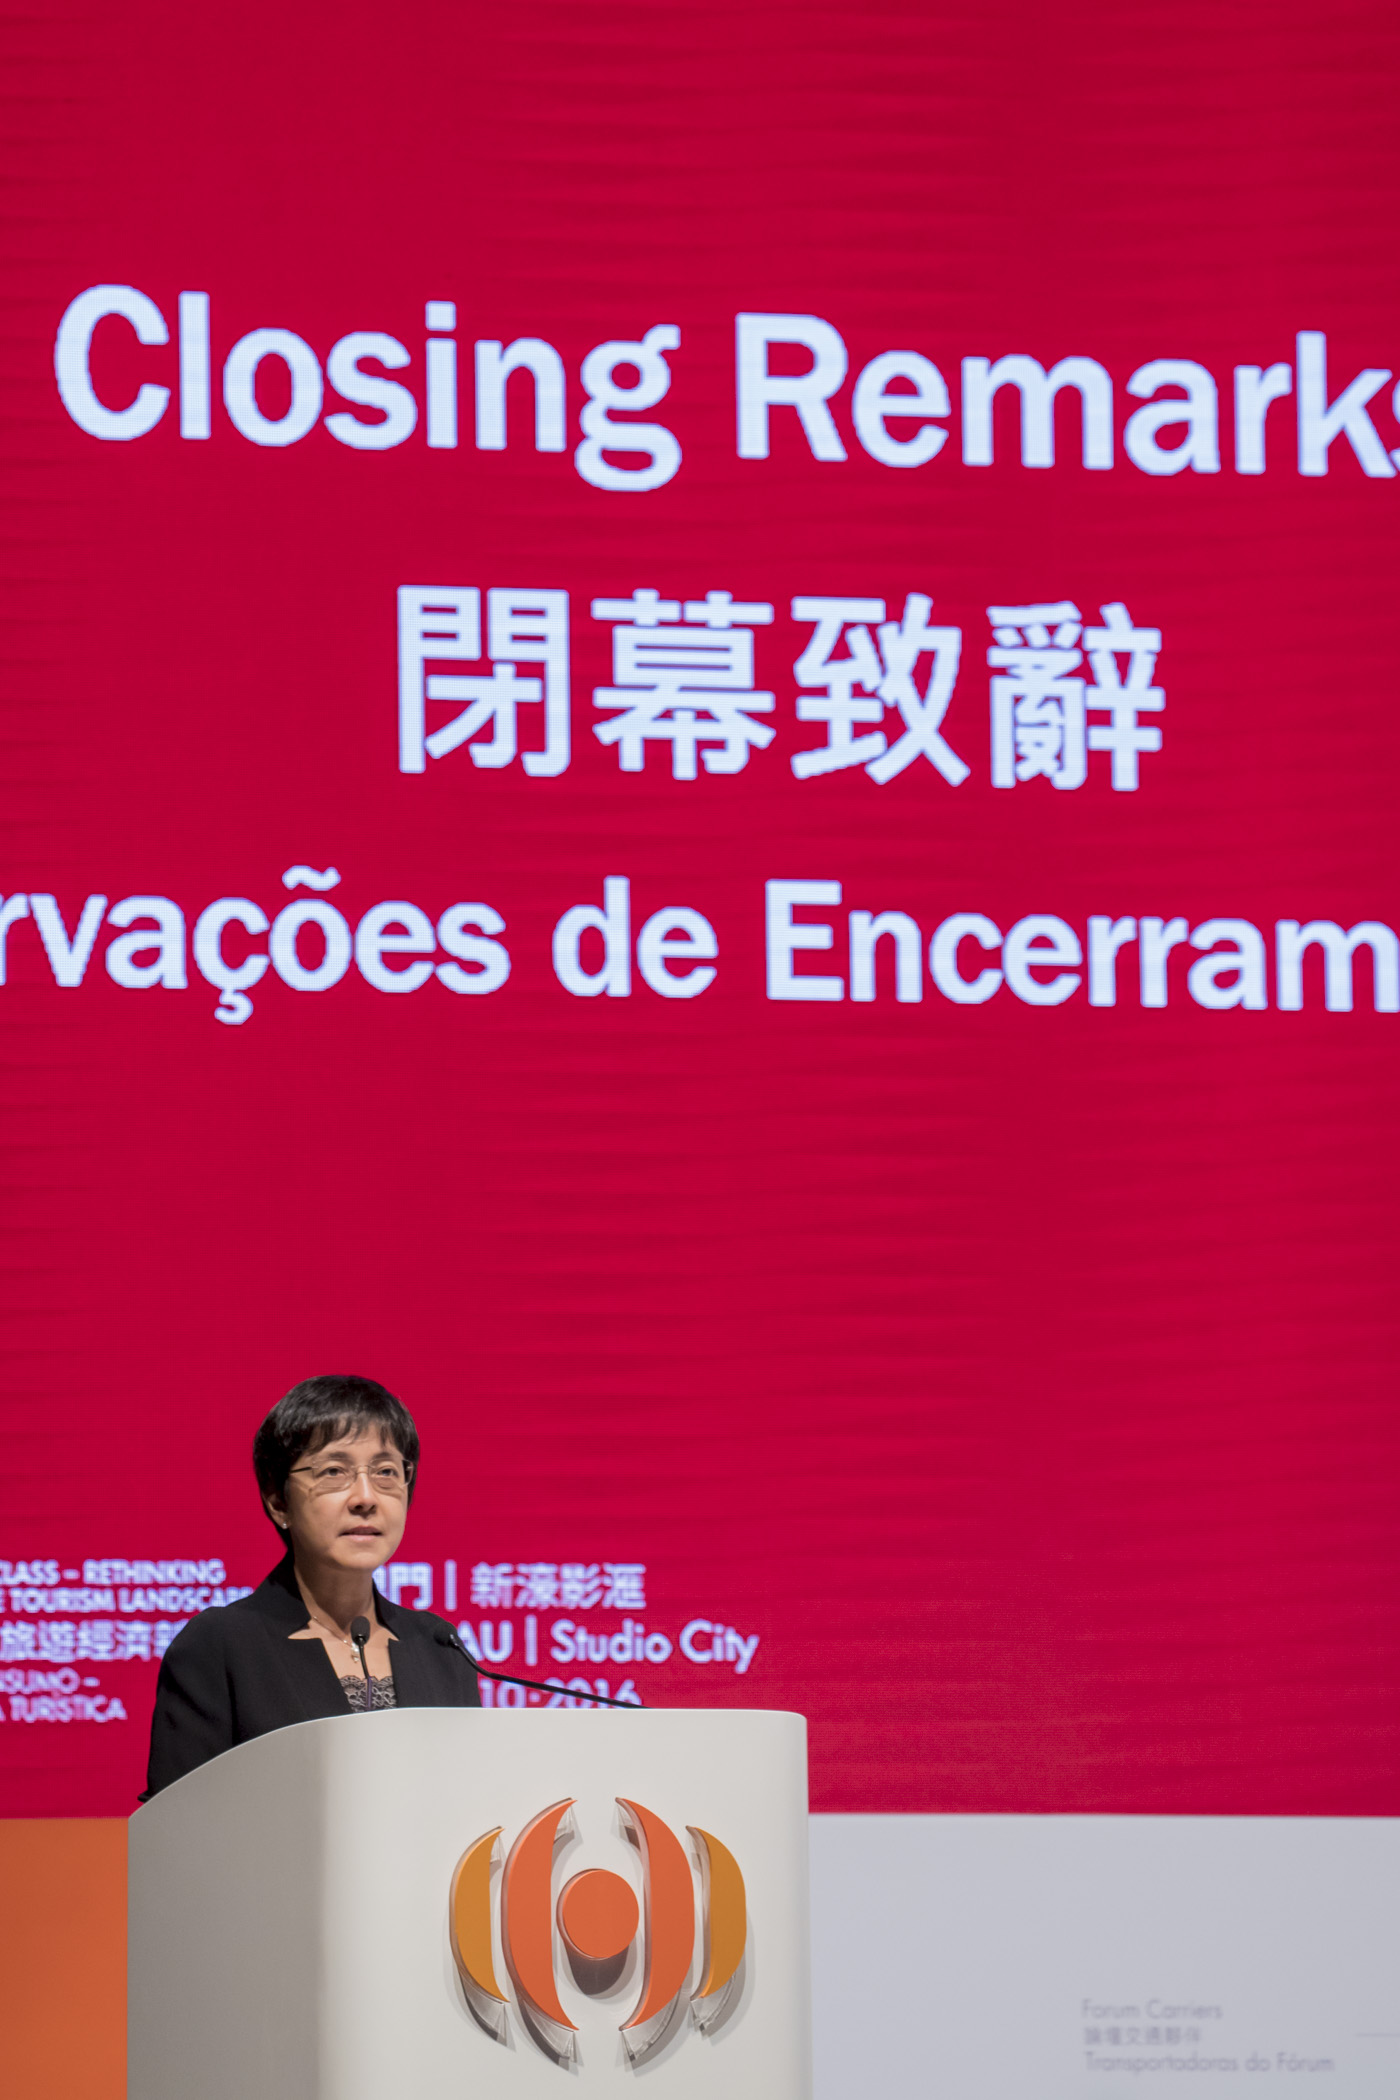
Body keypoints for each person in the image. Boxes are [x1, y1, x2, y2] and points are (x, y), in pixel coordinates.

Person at [144, 1374, 478, 1797]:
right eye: (334, 1471)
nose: (365, 1497)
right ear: (278, 1501)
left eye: (386, 1472)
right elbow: (177, 1819)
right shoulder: (222, 1646)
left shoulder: (440, 1647)